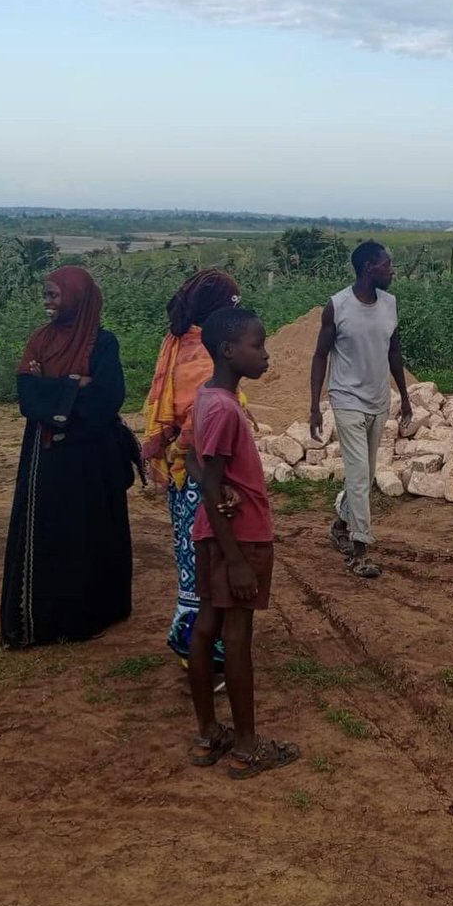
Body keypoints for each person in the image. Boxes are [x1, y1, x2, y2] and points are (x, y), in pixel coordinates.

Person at [186, 305, 299, 779]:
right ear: (229, 350)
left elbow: (195, 465)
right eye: (258, 345)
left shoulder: (206, 398)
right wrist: (236, 560)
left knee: (207, 627)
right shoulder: (226, 410)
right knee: (236, 636)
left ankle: (209, 733)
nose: (267, 354)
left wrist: (220, 486)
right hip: (239, 538)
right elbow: (208, 482)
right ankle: (248, 746)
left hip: (213, 534)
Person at [0, 266, 139, 648]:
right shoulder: (39, 340)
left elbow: (108, 398)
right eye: (45, 295)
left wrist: (58, 390)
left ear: (77, 298)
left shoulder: (103, 343)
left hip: (94, 460)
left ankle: (98, 611)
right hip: (50, 457)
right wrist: (77, 385)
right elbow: (29, 398)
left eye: (53, 295)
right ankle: (50, 620)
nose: (46, 303)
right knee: (52, 533)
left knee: (93, 532)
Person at [142, 268, 246, 666]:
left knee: (192, 556)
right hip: (202, 474)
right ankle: (199, 646)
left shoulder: (177, 342)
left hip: (184, 473)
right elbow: (197, 422)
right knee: (208, 556)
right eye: (234, 305)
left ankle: (197, 640)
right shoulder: (205, 356)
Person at [308, 241, 412, 578]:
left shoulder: (390, 304)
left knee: (363, 475)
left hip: (378, 399)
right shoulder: (337, 307)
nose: (391, 269)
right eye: (387, 263)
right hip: (346, 398)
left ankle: (341, 524)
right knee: (358, 475)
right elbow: (320, 356)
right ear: (369, 267)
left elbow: (394, 353)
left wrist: (405, 398)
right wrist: (314, 406)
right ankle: (359, 551)